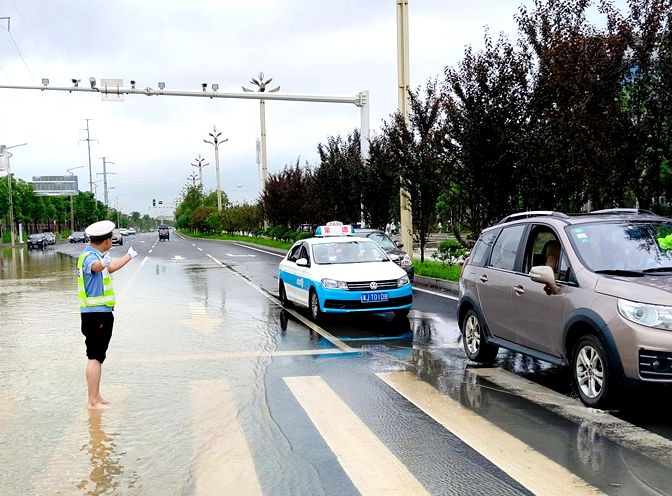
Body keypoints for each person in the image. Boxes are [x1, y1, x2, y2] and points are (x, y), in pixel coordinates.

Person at [78, 220, 138, 409]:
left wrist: (128, 256)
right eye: (111, 238)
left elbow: (108, 268)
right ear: (106, 241)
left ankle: (97, 396)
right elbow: (95, 267)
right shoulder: (89, 256)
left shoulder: (97, 255)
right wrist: (101, 263)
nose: (112, 240)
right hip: (95, 315)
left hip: (100, 313)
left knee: (98, 357)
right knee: (94, 357)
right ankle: (92, 401)